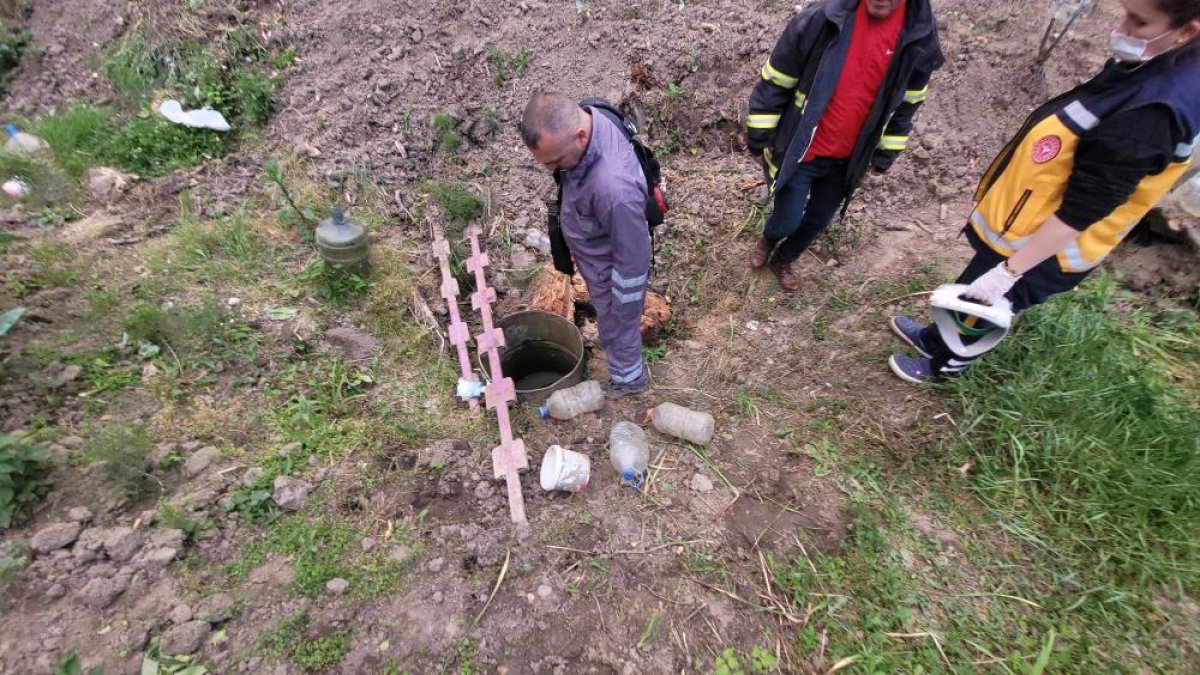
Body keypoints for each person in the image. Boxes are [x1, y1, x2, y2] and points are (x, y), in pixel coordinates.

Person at [888, 0, 1200, 384]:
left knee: (985, 305)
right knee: (972, 289)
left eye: (1139, 22)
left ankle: (944, 367)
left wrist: (1010, 271)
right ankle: (935, 338)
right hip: (1029, 221)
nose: (1122, 29)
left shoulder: (1152, 112)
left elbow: (1084, 209)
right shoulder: (1161, 64)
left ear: (1186, 32)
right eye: (1124, 14)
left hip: (1048, 246)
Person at [746, 0, 944, 291]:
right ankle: (769, 239)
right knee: (787, 219)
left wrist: (886, 152)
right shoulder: (823, 19)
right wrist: (758, 135)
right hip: (802, 150)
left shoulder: (918, 37)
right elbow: (776, 79)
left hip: (848, 160)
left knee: (819, 220)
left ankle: (783, 259)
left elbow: (908, 104)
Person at [519, 93, 652, 398]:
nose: (552, 169)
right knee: (614, 324)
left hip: (612, 270)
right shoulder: (587, 122)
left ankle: (629, 382)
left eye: (555, 162)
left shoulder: (614, 190)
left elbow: (632, 262)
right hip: (598, 241)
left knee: (618, 329)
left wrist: (618, 311)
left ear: (580, 137)